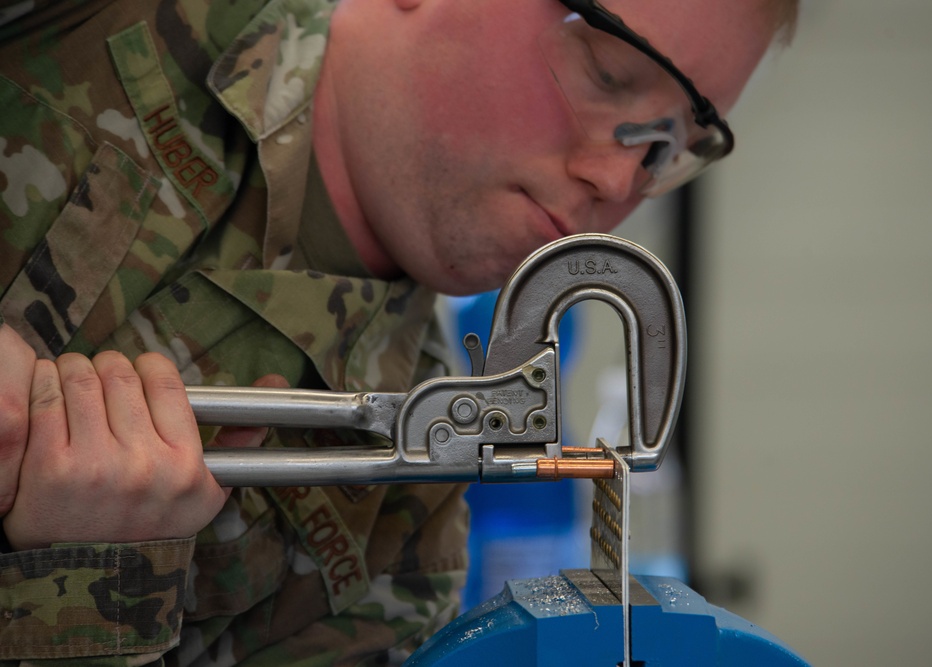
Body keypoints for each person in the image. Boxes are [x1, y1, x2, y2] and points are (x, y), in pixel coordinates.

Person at [0, 0, 796, 663]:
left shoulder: (403, 514)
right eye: (605, 72)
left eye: (670, 148)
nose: (619, 180)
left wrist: (83, 588)